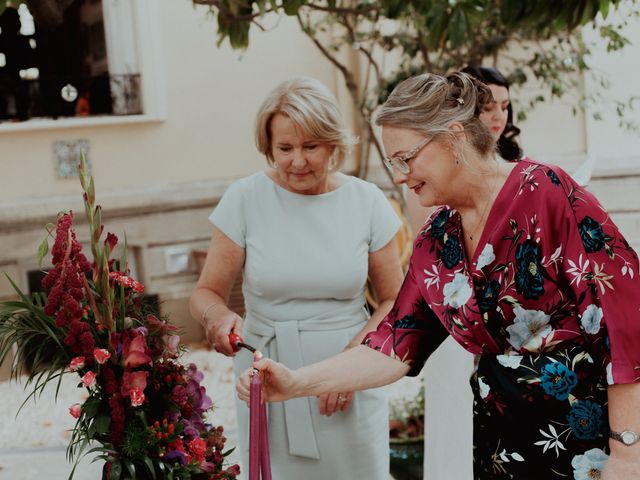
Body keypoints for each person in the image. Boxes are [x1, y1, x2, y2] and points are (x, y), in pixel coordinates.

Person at [238, 72, 640, 479]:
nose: (398, 175)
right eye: (392, 163)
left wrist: (627, 453)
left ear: (454, 137)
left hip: (590, 448)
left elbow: (626, 323)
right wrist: (294, 383)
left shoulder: (546, 191)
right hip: (501, 446)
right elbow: (394, 344)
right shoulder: (437, 238)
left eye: (405, 158)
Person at [190, 76, 403, 479]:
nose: (297, 161)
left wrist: (353, 361)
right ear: (268, 147)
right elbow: (205, 293)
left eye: (311, 147)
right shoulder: (244, 198)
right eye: (284, 149)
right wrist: (216, 318)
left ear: (333, 143)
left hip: (350, 377)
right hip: (268, 374)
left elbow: (395, 301)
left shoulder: (368, 202)